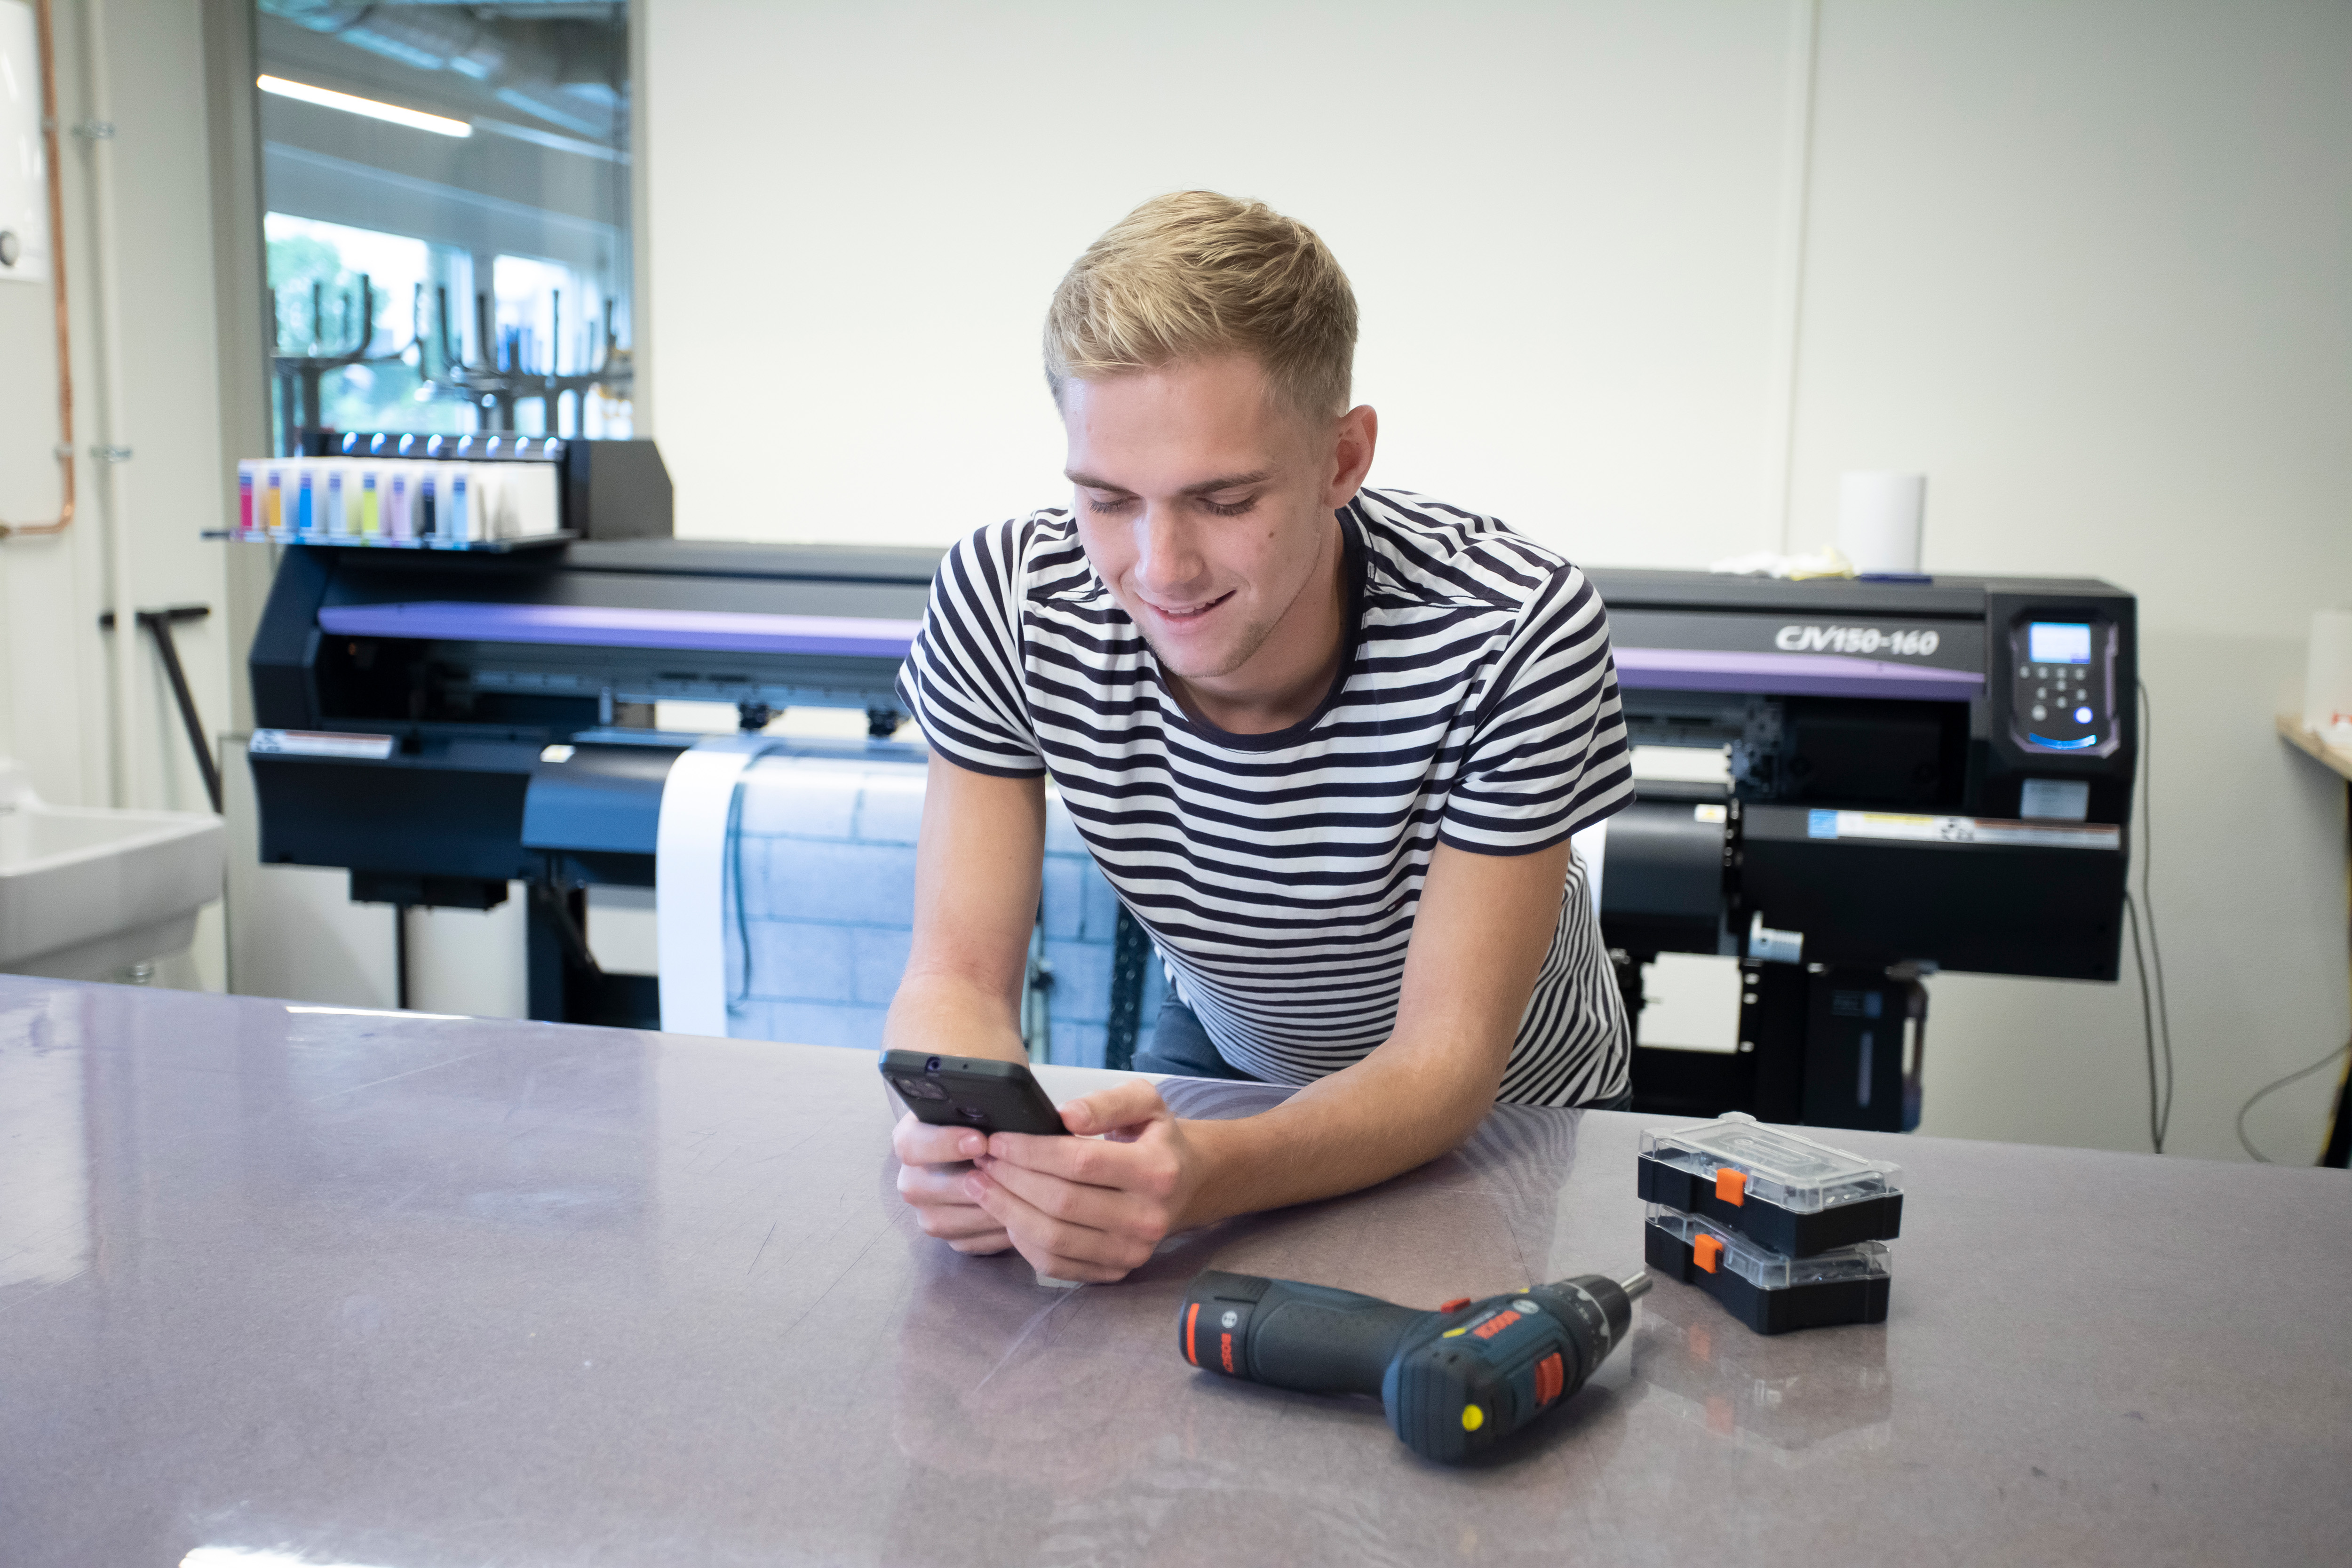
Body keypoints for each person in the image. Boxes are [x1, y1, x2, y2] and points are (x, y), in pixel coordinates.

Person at [887, 191, 1633, 1284]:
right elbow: (954, 969)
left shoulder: (1515, 627)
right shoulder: (1008, 596)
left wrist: (1205, 1176)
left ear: (1343, 458)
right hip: (1228, 1060)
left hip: (1511, 1105)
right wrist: (974, 1140)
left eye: (1224, 500)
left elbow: (1443, 1059)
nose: (1160, 569)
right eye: (1106, 500)